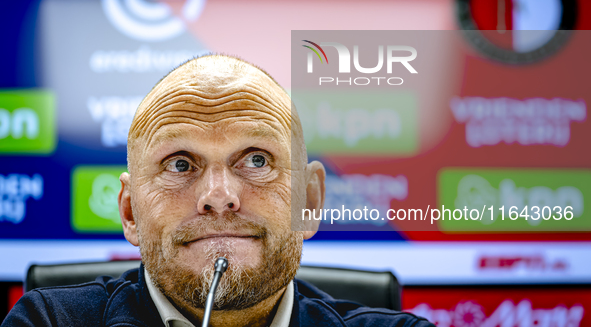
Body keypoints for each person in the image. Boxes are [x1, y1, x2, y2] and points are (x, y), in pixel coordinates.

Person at [4, 55, 434, 327]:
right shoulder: (46, 322)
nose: (218, 195)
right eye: (179, 164)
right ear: (130, 213)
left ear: (310, 202)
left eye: (257, 160)